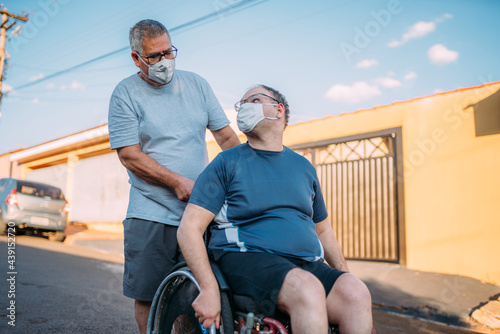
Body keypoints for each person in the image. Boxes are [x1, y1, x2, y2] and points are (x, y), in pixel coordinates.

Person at [178, 85, 375, 334]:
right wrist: (208, 289)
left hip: (306, 263)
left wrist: (344, 276)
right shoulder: (227, 162)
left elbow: (323, 230)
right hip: (247, 257)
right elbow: (189, 229)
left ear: (278, 110)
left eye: (255, 100)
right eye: (241, 104)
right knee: (307, 288)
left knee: (356, 293)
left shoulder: (304, 168)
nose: (244, 107)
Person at [107, 19, 240, 334]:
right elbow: (129, 155)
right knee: (148, 295)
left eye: (169, 52)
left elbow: (227, 138)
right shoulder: (124, 93)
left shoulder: (196, 84)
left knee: (197, 294)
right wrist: (177, 182)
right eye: (154, 56)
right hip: (150, 212)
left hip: (199, 214)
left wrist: (245, 173)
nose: (164, 61)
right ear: (136, 58)